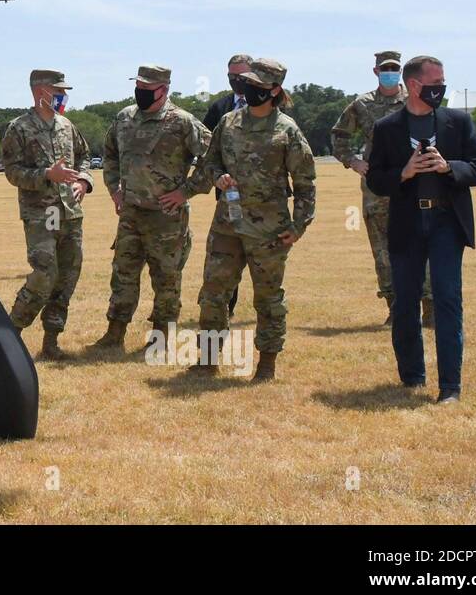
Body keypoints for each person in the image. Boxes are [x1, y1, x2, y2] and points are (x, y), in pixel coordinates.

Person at [366, 55, 476, 404]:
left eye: (443, 81)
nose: (441, 87)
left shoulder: (458, 122)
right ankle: (412, 376)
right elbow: (376, 178)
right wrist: (403, 173)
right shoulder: (387, 127)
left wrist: (449, 167)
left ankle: (450, 387)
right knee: (405, 302)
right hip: (407, 225)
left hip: (447, 223)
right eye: (435, 82)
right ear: (415, 85)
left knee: (448, 300)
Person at [187, 58, 316, 380]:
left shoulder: (287, 130)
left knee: (268, 298)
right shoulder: (228, 122)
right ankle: (207, 359)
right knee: (214, 293)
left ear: (274, 90)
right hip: (226, 226)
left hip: (269, 231)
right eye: (248, 84)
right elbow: (209, 162)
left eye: (257, 86)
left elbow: (305, 183)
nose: (249, 91)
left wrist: (298, 226)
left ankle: (266, 363)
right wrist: (218, 178)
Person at [95, 64, 210, 352]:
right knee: (123, 274)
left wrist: (185, 192)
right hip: (131, 212)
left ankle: (161, 338)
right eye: (138, 87)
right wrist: (114, 189)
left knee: (166, 279)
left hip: (167, 217)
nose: (141, 92)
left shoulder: (183, 122)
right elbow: (109, 155)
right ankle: (114, 333)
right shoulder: (124, 119)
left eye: (147, 88)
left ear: (164, 89)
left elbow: (213, 159)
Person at [331, 51, 433, 326]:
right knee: (383, 250)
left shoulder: (416, 99)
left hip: (415, 183)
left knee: (421, 245)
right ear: (375, 71)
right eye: (385, 68)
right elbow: (338, 135)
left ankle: (430, 309)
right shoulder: (361, 105)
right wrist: (352, 161)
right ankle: (396, 309)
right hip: (378, 188)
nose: (390, 72)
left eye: (395, 68)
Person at [1, 69, 94, 361]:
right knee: (45, 274)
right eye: (59, 91)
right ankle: (9, 334)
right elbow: (12, 172)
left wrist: (83, 181)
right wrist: (46, 174)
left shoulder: (67, 126)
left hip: (70, 213)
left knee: (67, 275)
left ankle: (51, 342)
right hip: (42, 214)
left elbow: (86, 157)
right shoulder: (19, 128)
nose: (63, 96)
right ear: (41, 91)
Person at [202, 53, 253, 316]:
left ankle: (267, 308)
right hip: (228, 195)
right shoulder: (218, 109)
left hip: (262, 197)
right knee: (226, 252)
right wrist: (217, 175)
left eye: (242, 76)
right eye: (232, 76)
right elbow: (206, 149)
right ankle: (226, 306)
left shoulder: (273, 106)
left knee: (259, 252)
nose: (237, 81)